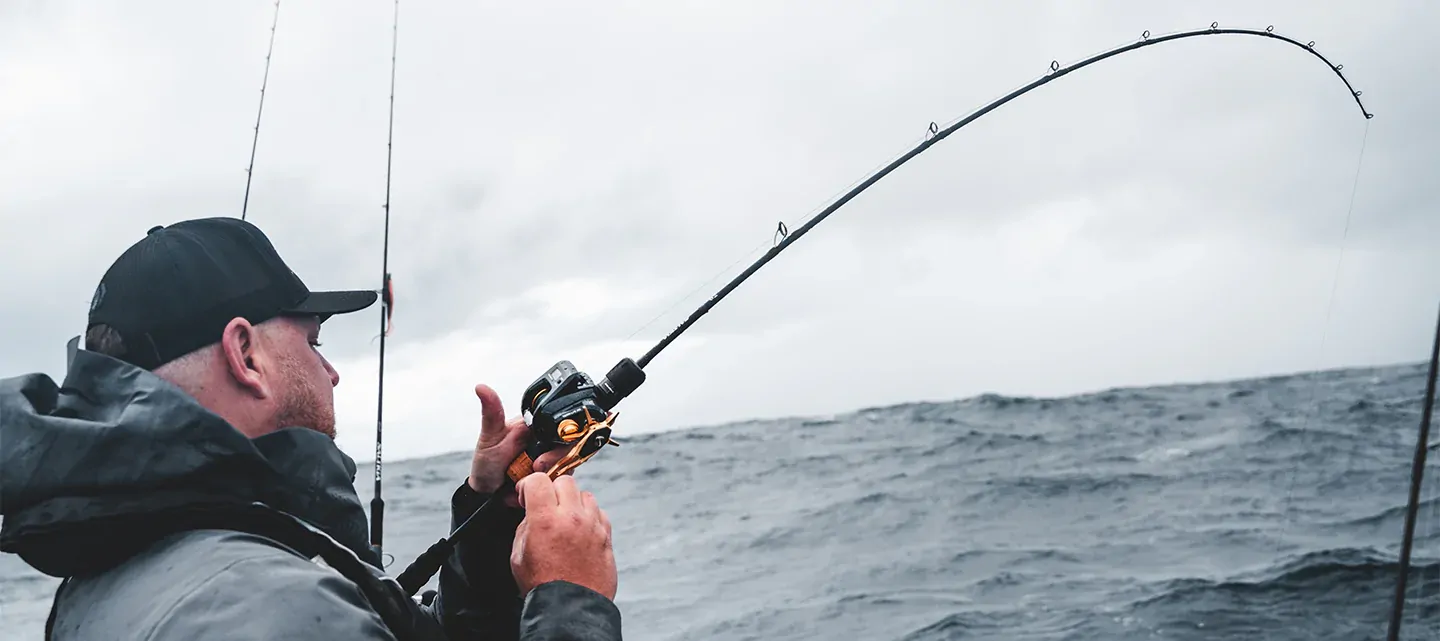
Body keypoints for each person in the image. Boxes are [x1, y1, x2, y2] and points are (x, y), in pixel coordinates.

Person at [0, 217, 622, 640]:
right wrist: (570, 600)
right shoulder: (273, 606)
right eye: (313, 341)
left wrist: (488, 517)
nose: (331, 373)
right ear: (245, 355)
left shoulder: (114, 569)